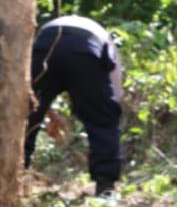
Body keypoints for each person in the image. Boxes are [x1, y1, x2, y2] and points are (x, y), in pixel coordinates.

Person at [26, 15, 124, 197]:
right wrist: (99, 112)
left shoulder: (48, 29)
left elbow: (32, 96)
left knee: (25, 118)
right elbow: (113, 99)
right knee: (103, 119)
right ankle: (105, 187)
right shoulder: (108, 44)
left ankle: (16, 174)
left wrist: (43, 112)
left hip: (46, 44)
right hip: (85, 48)